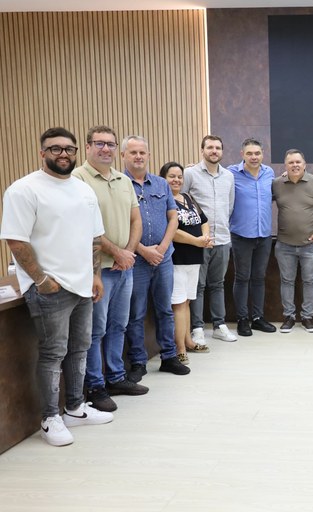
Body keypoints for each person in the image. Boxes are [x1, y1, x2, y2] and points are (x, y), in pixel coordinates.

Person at [1, 127, 113, 446]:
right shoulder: (24, 189)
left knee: (79, 349)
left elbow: (94, 238)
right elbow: (16, 240)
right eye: (55, 149)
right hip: (50, 288)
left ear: (76, 152)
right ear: (42, 153)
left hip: (83, 286)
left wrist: (95, 275)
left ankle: (75, 408)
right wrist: (41, 279)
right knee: (53, 354)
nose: (63, 154)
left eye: (68, 149)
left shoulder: (83, 190)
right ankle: (50, 418)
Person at [72, 125, 147, 413]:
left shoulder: (123, 180)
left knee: (119, 325)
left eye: (110, 144)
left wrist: (127, 253)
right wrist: (117, 252)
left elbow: (135, 220)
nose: (106, 149)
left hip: (123, 267)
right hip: (97, 270)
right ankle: (95, 385)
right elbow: (85, 227)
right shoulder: (77, 179)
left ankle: (116, 377)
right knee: (96, 330)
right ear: (88, 147)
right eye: (99, 143)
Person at [122, 136, 189, 379]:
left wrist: (161, 248)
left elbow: (173, 218)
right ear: (124, 156)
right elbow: (119, 225)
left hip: (163, 259)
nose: (138, 156)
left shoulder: (161, 184)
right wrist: (143, 250)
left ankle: (169, 357)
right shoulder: (119, 184)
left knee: (165, 310)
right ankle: (138, 362)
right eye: (133, 152)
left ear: (149, 155)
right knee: (136, 313)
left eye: (142, 152)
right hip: (136, 260)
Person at [182, 135, 237, 344]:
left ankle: (219, 326)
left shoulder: (228, 176)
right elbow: (181, 202)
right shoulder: (190, 173)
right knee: (198, 285)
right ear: (202, 150)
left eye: (217, 148)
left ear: (222, 151)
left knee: (218, 284)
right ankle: (197, 328)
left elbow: (229, 206)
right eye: (210, 147)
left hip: (222, 238)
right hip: (198, 241)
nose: (214, 151)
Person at [161, 162, 213, 363]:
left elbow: (204, 221)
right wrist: (196, 241)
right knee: (179, 304)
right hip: (177, 260)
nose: (176, 180)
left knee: (187, 302)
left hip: (194, 259)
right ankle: (179, 349)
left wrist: (205, 238)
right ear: (163, 178)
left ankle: (189, 342)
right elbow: (172, 231)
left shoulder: (188, 198)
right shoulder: (165, 200)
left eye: (179, 176)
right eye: (171, 176)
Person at [272, 149, 313, 333]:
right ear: (285, 165)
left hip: (310, 244)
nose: (295, 165)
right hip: (284, 244)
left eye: (298, 162)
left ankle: (307, 317)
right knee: (286, 281)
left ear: (305, 164)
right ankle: (289, 316)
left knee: (309, 281)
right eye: (291, 162)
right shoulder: (276, 184)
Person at [227, 138, 277, 337]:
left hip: (264, 235)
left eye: (257, 153)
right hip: (241, 235)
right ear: (242, 155)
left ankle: (257, 318)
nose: (254, 157)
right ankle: (242, 319)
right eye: (249, 153)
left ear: (262, 154)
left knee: (259, 277)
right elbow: (213, 175)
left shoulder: (269, 173)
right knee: (242, 277)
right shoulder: (231, 173)